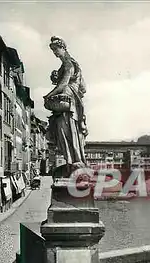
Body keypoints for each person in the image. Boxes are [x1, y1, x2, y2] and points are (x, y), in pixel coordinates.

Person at [43, 36, 88, 168]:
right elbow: (83, 87)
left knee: (67, 131)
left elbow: (64, 84)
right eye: (53, 50)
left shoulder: (68, 63)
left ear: (63, 48)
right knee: (65, 131)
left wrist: (49, 95)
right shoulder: (68, 64)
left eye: (56, 49)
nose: (55, 53)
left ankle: (74, 160)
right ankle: (72, 160)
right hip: (68, 102)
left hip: (68, 102)